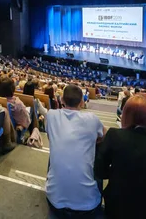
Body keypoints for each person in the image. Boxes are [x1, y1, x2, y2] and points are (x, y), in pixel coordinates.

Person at [46, 85, 105, 216]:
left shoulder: (51, 115)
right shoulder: (92, 119)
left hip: (54, 202)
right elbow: (104, 137)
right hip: (89, 206)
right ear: (82, 102)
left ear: (62, 100)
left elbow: (51, 139)